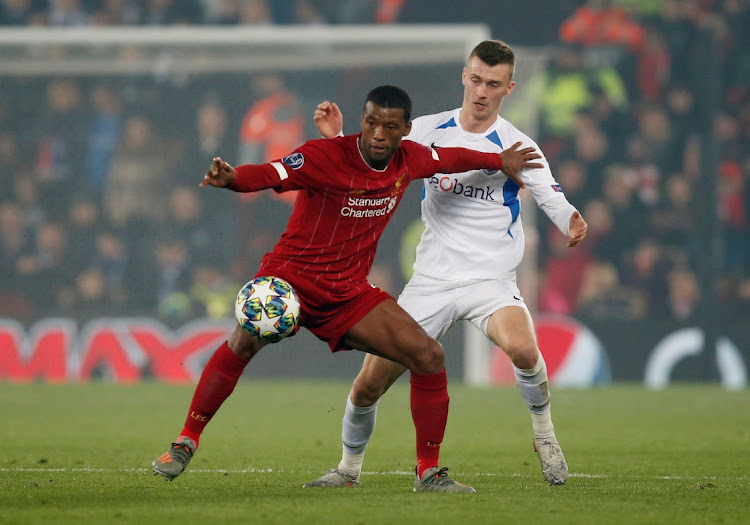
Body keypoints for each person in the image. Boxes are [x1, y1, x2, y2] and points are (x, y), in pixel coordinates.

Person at [151, 85, 543, 493]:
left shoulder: (411, 158)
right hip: (292, 280)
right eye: (371, 123)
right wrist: (233, 179)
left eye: (390, 127)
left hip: (347, 293)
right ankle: (185, 441)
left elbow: (452, 158)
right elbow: (272, 173)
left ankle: (428, 472)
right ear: (363, 120)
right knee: (242, 343)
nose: (378, 133)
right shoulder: (324, 155)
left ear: (405, 130)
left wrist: (499, 159)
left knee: (428, 355)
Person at [304, 40, 588, 489]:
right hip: (431, 282)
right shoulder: (426, 131)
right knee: (368, 386)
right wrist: (336, 139)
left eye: (493, 84)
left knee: (523, 350)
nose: (481, 91)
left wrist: (570, 218)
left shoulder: (517, 144)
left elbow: (550, 194)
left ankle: (544, 433)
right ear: (464, 76)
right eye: (476, 79)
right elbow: (370, 158)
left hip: (489, 280)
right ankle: (348, 469)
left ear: (508, 88)